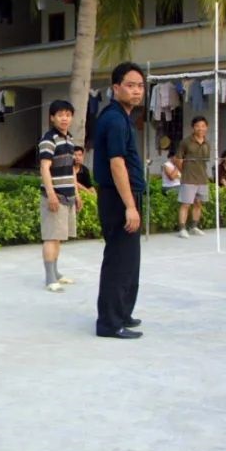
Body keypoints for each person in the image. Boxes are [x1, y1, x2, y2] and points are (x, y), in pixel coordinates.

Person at [93, 62, 146, 339]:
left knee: (129, 261)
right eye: (130, 85)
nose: (136, 91)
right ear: (116, 88)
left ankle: (123, 313)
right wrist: (130, 206)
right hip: (117, 199)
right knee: (118, 261)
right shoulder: (114, 119)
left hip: (125, 196)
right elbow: (116, 164)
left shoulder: (123, 117)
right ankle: (110, 324)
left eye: (140, 86)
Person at [38, 100, 82, 292]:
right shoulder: (49, 139)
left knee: (58, 237)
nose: (65, 118)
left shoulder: (70, 139)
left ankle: (56, 273)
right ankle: (49, 279)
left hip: (68, 196)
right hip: (54, 196)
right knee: (50, 236)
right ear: (52, 118)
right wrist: (51, 195)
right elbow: (44, 168)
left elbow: (72, 170)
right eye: (60, 115)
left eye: (68, 115)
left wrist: (77, 194)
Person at [175, 116, 210, 238]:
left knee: (198, 203)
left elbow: (205, 161)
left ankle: (194, 227)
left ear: (206, 127)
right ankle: (182, 228)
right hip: (189, 178)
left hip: (202, 178)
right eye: (197, 126)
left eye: (203, 126)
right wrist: (184, 171)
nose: (200, 128)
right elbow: (178, 159)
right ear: (193, 127)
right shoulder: (186, 142)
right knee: (185, 204)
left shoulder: (207, 143)